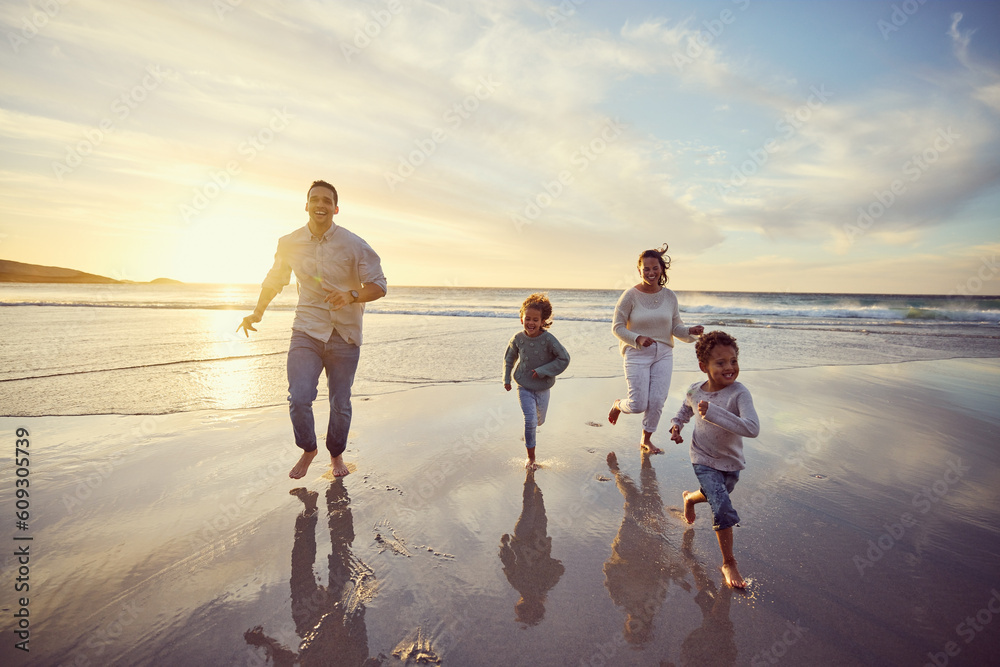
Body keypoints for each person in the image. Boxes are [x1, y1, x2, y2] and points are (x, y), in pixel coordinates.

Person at [238, 180, 387, 479]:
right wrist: (257, 311)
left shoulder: (355, 244)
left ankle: (336, 455)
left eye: (326, 200)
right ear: (306, 205)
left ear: (335, 208)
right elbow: (274, 279)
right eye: (314, 199)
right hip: (306, 329)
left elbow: (379, 286)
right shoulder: (289, 242)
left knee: (339, 402)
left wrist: (351, 295)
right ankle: (309, 449)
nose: (320, 204)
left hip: (345, 334)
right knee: (299, 396)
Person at [669, 330, 759, 589]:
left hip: (731, 461)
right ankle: (728, 562)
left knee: (714, 495)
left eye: (733, 361)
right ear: (703, 367)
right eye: (720, 363)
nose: (729, 367)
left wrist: (715, 413)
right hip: (702, 457)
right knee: (721, 506)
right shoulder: (695, 390)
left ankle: (689, 498)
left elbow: (752, 428)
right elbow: (685, 408)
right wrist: (677, 425)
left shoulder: (740, 393)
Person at [608, 243, 703, 453]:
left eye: (655, 268)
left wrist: (690, 331)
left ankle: (646, 439)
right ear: (639, 270)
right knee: (638, 404)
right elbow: (617, 327)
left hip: (664, 354)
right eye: (646, 269)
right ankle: (617, 404)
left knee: (658, 400)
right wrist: (638, 338)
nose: (651, 273)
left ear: (661, 269)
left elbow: (675, 327)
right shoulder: (630, 296)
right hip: (637, 354)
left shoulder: (670, 296)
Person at [503, 293, 570, 470]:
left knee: (539, 421)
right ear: (521, 319)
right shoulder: (517, 338)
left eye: (535, 319)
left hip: (543, 387)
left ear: (542, 321)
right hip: (523, 385)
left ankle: (532, 428)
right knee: (530, 420)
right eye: (527, 319)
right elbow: (510, 359)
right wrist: (506, 378)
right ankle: (531, 458)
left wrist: (542, 371)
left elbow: (564, 358)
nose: (530, 323)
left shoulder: (548, 339)